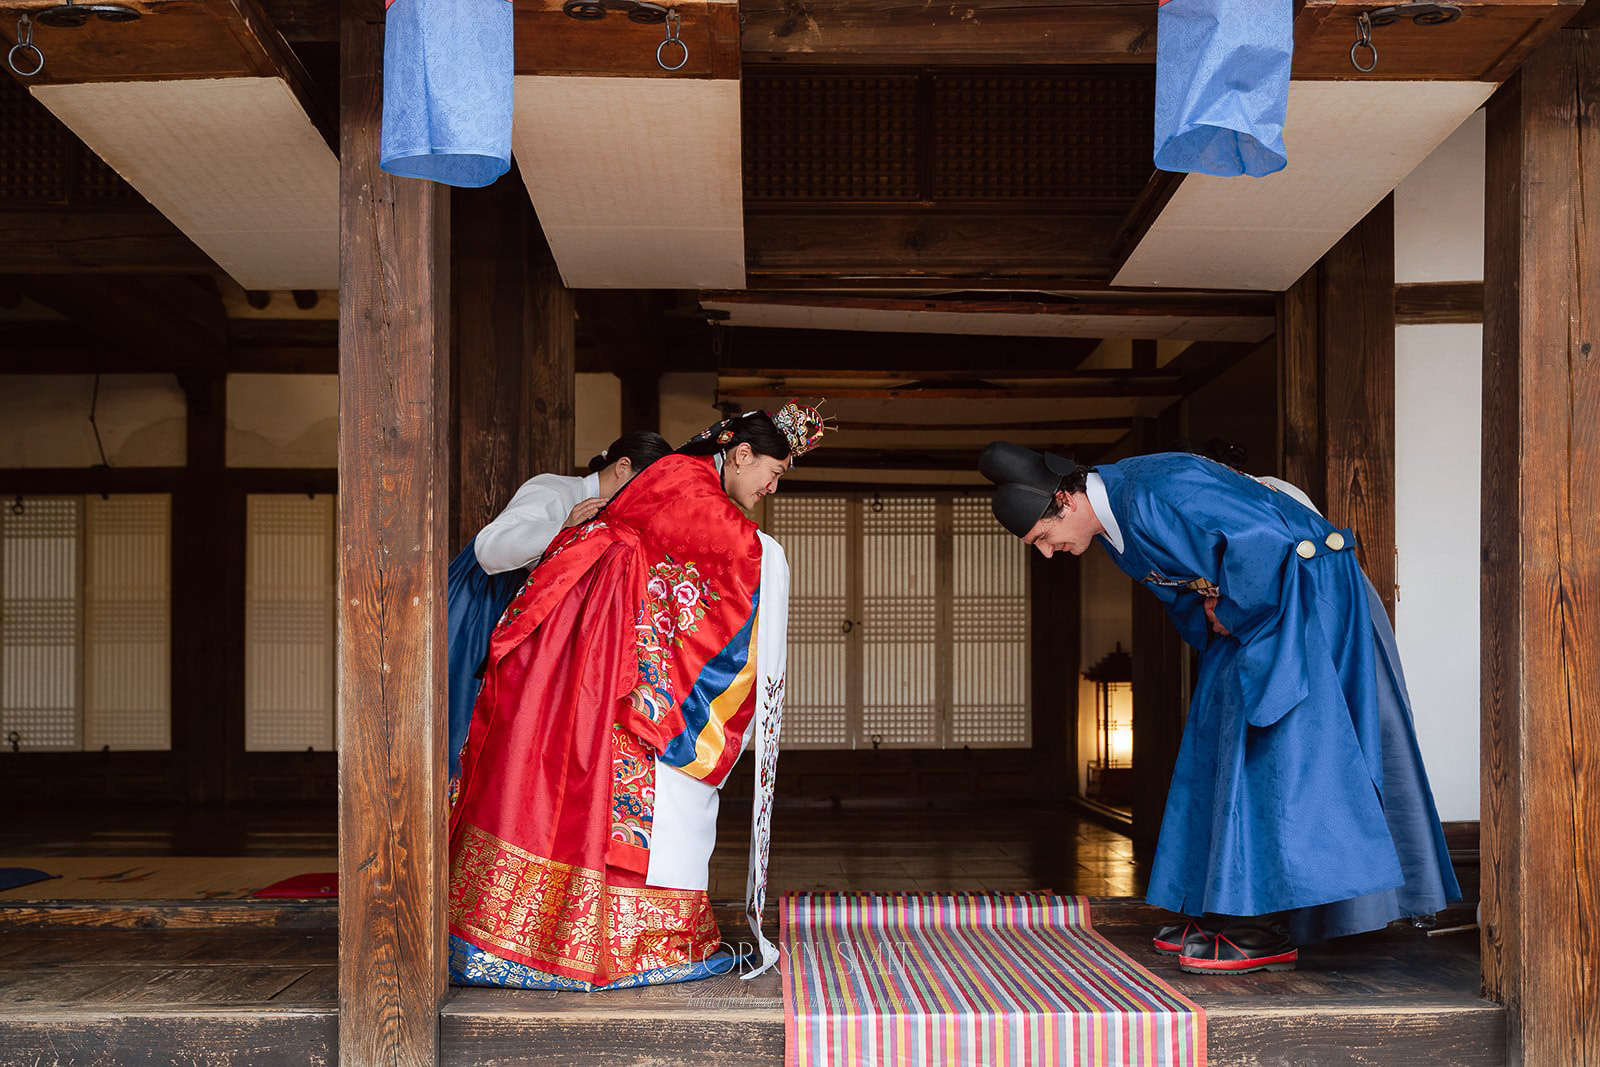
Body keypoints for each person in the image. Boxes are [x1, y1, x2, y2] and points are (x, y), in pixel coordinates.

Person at [979, 442, 1460, 975]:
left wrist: (1227, 605)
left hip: (1303, 603)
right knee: (1218, 744)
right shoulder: (1115, 521)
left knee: (1282, 752)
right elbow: (1194, 585)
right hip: (1259, 613)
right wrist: (1217, 607)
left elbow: (1268, 542)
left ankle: (1266, 925)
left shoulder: (1159, 486)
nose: (1047, 553)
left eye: (1043, 538)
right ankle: (1227, 907)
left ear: (1065, 501)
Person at [447, 405, 828, 991]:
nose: (772, 486)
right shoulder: (683, 480)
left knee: (606, 806)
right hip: (610, 665)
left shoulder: (685, 484)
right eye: (773, 471)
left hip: (608, 662)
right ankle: (615, 943)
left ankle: (575, 935)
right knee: (641, 807)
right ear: (741, 454)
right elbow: (738, 557)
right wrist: (772, 562)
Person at [446, 432, 671, 787]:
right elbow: (489, 548)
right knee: (462, 728)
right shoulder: (555, 491)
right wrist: (562, 529)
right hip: (483, 611)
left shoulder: (610, 515)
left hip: (526, 624)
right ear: (623, 467)